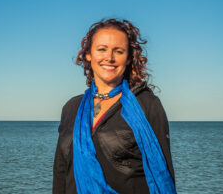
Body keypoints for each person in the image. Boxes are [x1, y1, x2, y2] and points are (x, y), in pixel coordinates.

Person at [53, 18, 176, 194]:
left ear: (128, 59)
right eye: (101, 49)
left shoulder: (147, 105)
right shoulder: (72, 108)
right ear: (88, 54)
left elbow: (164, 173)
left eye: (118, 51)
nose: (109, 58)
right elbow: (61, 171)